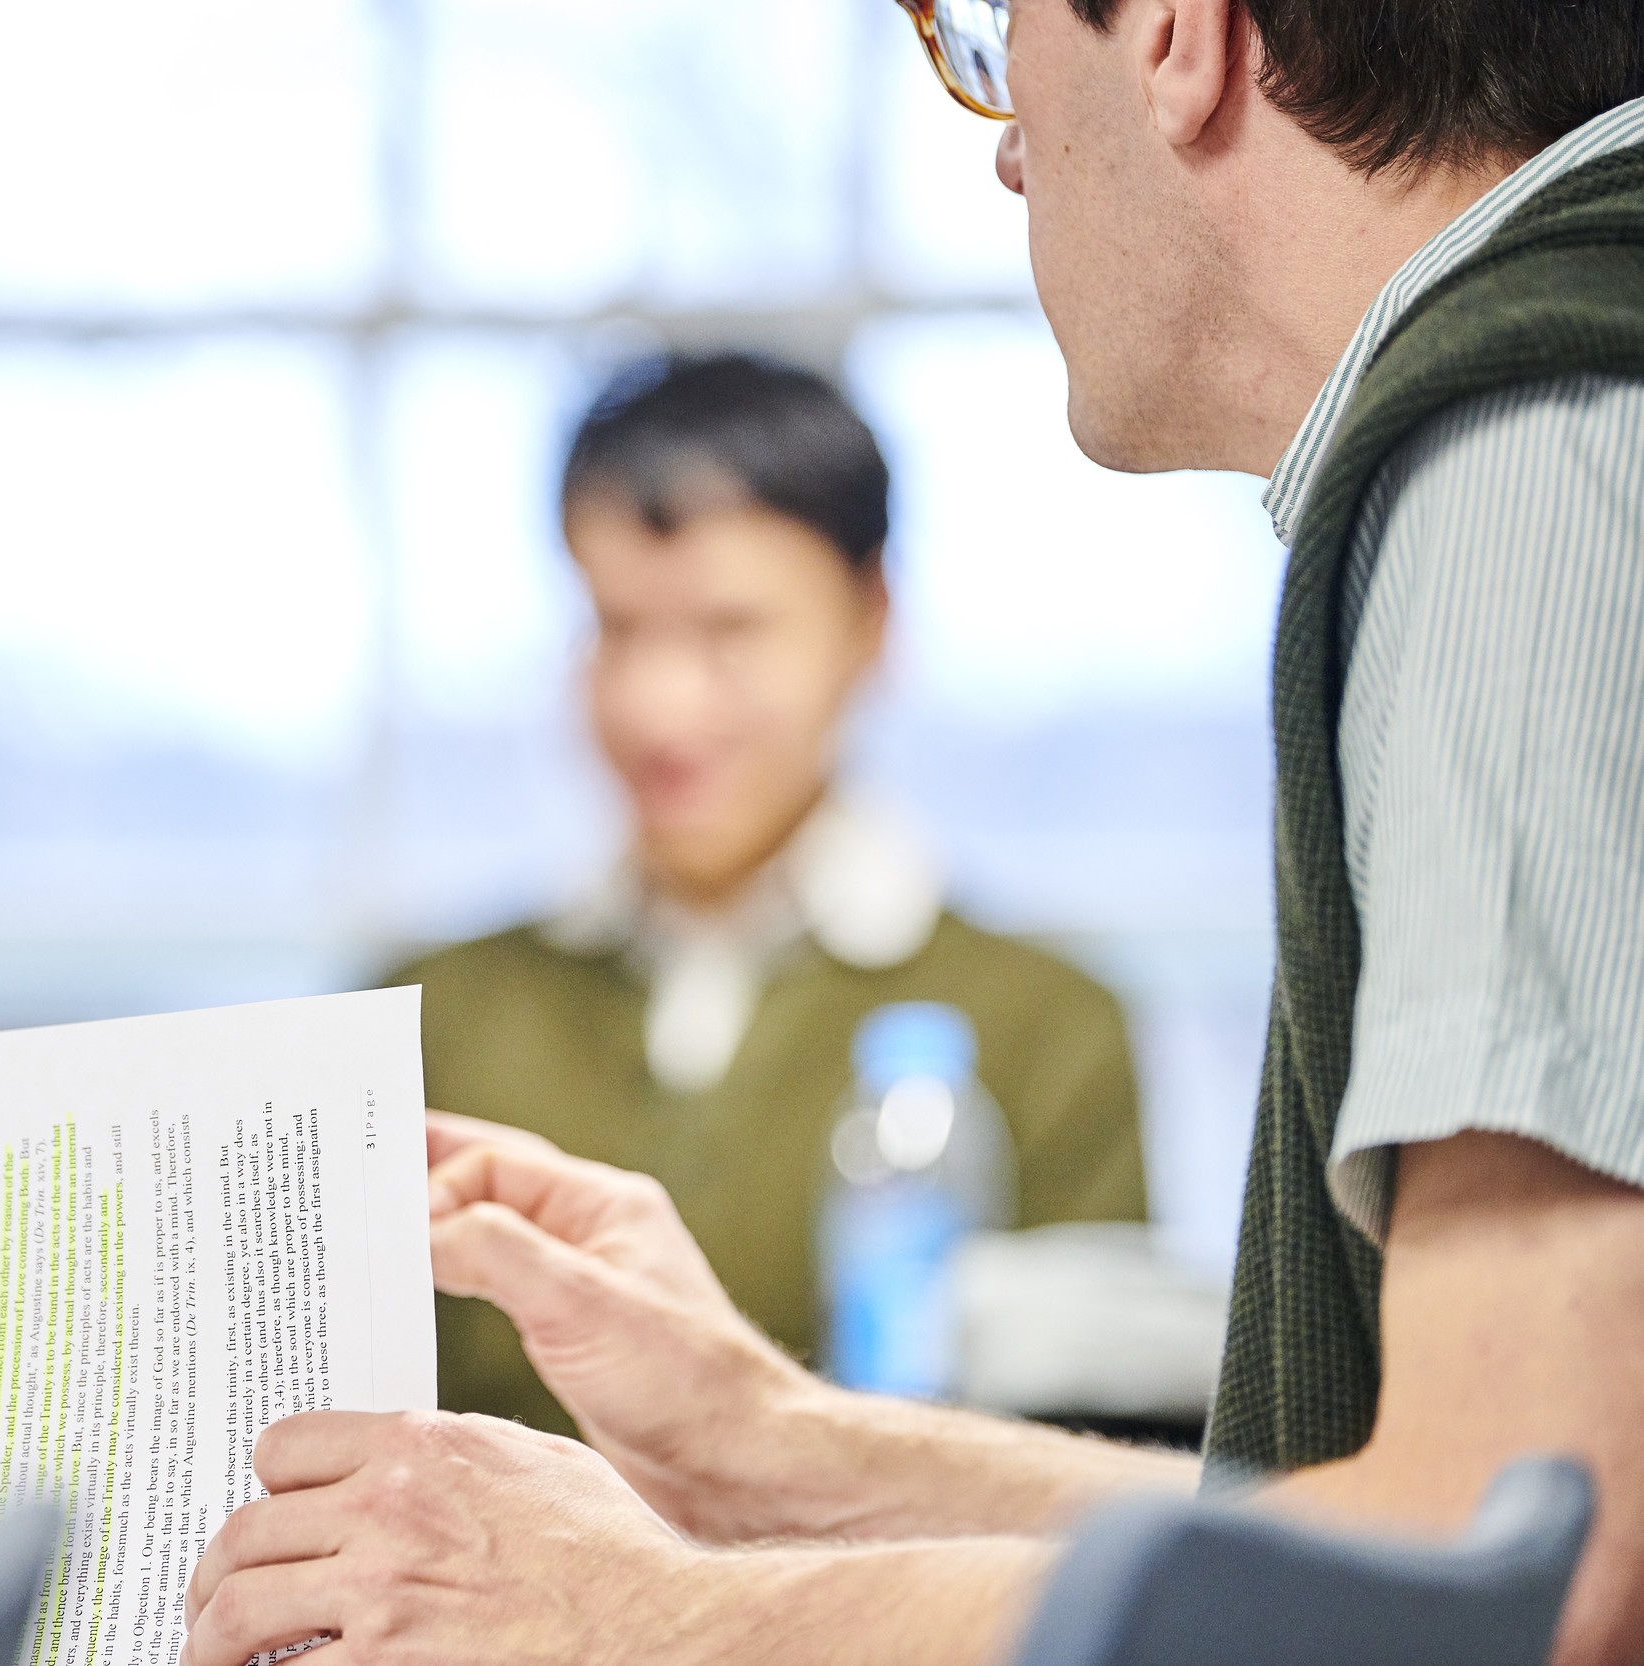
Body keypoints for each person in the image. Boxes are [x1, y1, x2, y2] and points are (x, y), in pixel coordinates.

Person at [185, 1, 1644, 1662]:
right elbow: (1392, 1514)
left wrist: (639, 1615)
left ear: (1170, 30)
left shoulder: (1513, 457)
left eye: (981, 33)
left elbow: (1537, 1569)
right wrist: (775, 1444)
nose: (1004, 136)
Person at [393, 353, 1147, 1434]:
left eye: (729, 630)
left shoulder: (1047, 1027)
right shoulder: (433, 1011)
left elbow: (1083, 1478)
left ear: (871, 620)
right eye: (617, 626)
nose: (660, 705)